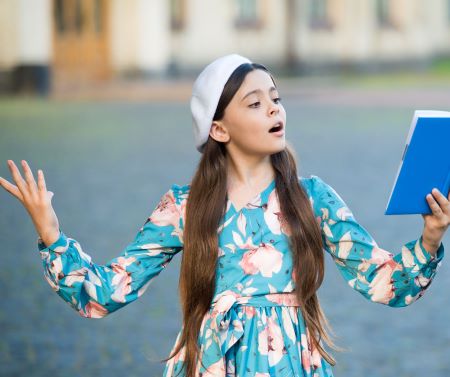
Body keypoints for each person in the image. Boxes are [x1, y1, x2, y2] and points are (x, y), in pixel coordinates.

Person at [0, 53, 448, 377]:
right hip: (210, 364)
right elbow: (106, 292)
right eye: (254, 103)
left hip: (291, 365)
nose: (274, 108)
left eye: (275, 98)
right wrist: (51, 232)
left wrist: (429, 239)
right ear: (218, 128)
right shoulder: (185, 206)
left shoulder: (313, 199)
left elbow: (385, 284)